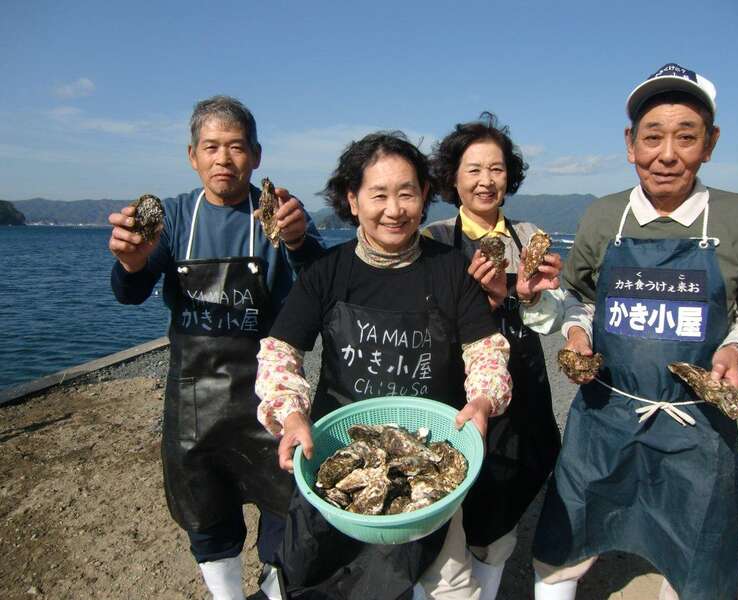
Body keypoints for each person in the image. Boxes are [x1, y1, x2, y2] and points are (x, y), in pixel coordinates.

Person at [531, 64, 738, 600]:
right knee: (563, 544)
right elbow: (582, 299)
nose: (666, 154)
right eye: (652, 137)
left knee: (693, 560)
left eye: (686, 137)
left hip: (696, 425)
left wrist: (737, 346)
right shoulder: (604, 218)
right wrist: (578, 335)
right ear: (630, 145)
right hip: (604, 416)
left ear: (710, 144)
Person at [254, 131, 513, 599]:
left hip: (429, 460)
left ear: (425, 196)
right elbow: (279, 353)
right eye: (378, 195)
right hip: (340, 452)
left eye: (407, 193)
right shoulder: (327, 273)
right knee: (327, 580)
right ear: (352, 201)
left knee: (450, 585)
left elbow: (485, 349)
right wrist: (290, 414)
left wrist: (482, 399)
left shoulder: (451, 269)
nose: (394, 209)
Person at [107, 95, 325, 600]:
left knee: (285, 501)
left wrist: (298, 244)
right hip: (193, 393)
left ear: (257, 154)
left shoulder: (283, 215)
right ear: (192, 156)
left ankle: (275, 588)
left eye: (236, 147)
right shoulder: (174, 217)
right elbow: (129, 292)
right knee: (205, 509)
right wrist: (133, 263)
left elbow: (320, 289)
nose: (223, 159)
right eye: (211, 147)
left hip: (269, 390)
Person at [424, 113, 564, 600]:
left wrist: (530, 295)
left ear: (510, 176)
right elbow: (422, 322)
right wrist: (485, 301)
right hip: (454, 391)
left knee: (500, 517)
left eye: (497, 169)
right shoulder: (435, 241)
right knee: (443, 506)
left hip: (521, 390)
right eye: (473, 169)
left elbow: (549, 320)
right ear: (453, 178)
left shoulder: (528, 235)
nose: (486, 180)